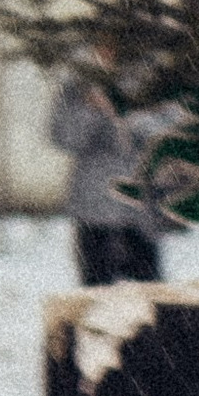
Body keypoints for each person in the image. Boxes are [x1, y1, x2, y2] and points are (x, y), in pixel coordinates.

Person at [50, 50, 172, 288]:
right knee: (96, 298)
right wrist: (91, 107)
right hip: (94, 210)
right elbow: (62, 136)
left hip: (140, 210)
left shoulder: (155, 73)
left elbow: (172, 124)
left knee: (148, 299)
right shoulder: (80, 79)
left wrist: (131, 111)